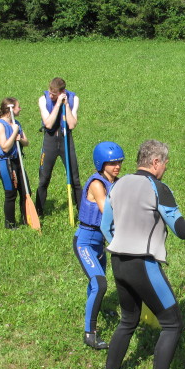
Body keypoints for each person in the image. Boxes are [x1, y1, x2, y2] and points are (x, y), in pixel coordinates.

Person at [100, 139, 185, 369]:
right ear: (155, 162)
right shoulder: (158, 188)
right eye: (164, 163)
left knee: (128, 319)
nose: (165, 168)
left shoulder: (118, 184)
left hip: (118, 261)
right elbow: (182, 231)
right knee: (172, 323)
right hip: (144, 264)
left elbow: (106, 227)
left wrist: (122, 245)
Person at [73, 141, 125, 350]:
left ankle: (97, 308)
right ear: (101, 163)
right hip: (85, 241)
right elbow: (107, 212)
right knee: (100, 283)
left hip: (99, 243)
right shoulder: (97, 184)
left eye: (119, 162)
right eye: (112, 163)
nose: (117, 166)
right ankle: (89, 333)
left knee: (96, 284)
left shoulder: (116, 181)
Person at [36, 77, 82, 217]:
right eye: (50, 92)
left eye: (54, 94)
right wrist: (57, 105)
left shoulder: (74, 99)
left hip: (66, 140)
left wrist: (66, 105)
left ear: (62, 92)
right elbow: (48, 124)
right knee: (44, 178)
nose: (51, 95)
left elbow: (72, 124)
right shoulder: (43, 100)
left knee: (75, 179)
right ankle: (38, 212)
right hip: (50, 140)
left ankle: (82, 213)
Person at [0, 97, 30, 229]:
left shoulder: (16, 122)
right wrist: (14, 133)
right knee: (11, 194)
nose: (20, 109)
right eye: (18, 106)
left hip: (18, 161)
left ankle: (27, 220)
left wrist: (20, 138)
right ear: (11, 109)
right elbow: (5, 147)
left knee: (26, 191)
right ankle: (10, 224)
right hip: (6, 164)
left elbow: (26, 142)